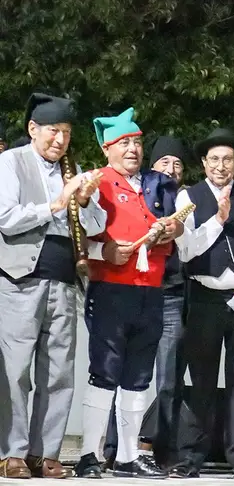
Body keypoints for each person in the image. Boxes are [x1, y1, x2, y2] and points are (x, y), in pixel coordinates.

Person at [0, 93, 107, 479]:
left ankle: (44, 452)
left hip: (63, 281)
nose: (59, 140)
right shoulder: (10, 163)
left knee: (58, 372)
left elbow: (96, 227)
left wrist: (87, 199)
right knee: (14, 370)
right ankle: (12, 452)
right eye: (52, 131)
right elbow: (5, 217)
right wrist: (56, 204)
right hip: (18, 280)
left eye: (65, 133)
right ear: (32, 129)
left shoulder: (72, 169)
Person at [75, 107, 180, 479]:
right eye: (124, 143)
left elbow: (176, 225)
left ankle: (128, 455)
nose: (133, 149)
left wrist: (170, 230)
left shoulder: (157, 183)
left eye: (136, 142)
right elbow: (87, 232)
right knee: (104, 372)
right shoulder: (96, 181)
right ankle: (88, 453)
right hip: (111, 290)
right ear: (108, 149)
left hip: (151, 289)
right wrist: (104, 248)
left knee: (138, 376)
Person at [168, 128, 234, 482]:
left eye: (228, 159)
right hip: (204, 296)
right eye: (214, 159)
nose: (221, 166)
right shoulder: (189, 197)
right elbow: (186, 250)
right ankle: (191, 455)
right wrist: (219, 221)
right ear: (204, 163)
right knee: (202, 378)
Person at [102, 135, 190, 468]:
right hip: (131, 289)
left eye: (178, 164)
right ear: (151, 169)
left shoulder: (184, 201)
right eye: (165, 162)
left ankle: (158, 448)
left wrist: (178, 228)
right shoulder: (138, 192)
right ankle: (115, 447)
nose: (172, 169)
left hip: (172, 294)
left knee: (168, 378)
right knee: (121, 372)